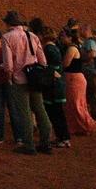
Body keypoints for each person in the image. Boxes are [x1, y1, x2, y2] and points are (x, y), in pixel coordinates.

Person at [2, 11, 53, 155]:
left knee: (24, 113)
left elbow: (8, 63)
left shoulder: (7, 37)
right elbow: (42, 60)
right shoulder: (33, 36)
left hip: (19, 79)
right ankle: (45, 142)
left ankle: (29, 144)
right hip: (35, 79)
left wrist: (9, 77)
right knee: (40, 109)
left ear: (8, 23)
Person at [61, 28, 96, 137]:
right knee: (73, 104)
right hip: (74, 78)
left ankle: (88, 125)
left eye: (63, 36)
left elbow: (66, 64)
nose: (61, 39)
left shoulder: (71, 49)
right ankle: (77, 127)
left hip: (74, 79)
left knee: (76, 104)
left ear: (69, 37)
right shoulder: (74, 47)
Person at [38, 21, 69, 149]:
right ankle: (63, 138)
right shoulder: (55, 47)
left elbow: (52, 67)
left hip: (53, 86)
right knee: (58, 113)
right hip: (57, 84)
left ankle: (63, 138)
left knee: (54, 113)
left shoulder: (49, 49)